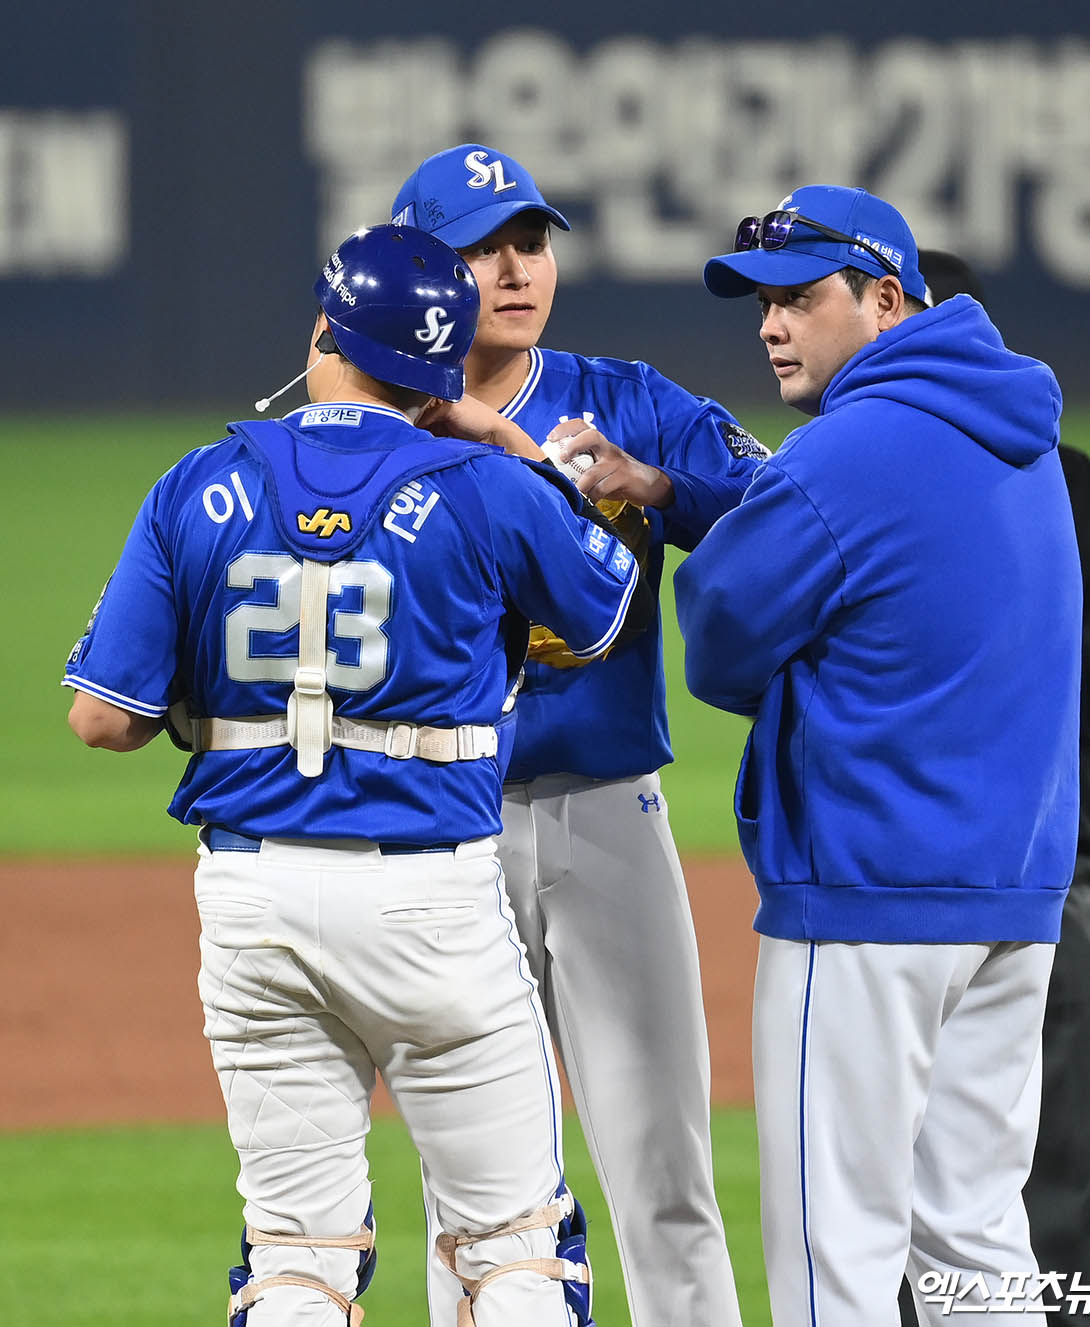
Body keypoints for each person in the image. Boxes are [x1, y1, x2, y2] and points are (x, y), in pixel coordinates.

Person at [63, 223, 656, 1327]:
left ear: (325, 330)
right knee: (515, 1253)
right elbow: (608, 601)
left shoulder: (199, 485)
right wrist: (508, 443)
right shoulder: (485, 485)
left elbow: (103, 718)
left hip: (252, 907)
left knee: (297, 1260)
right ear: (439, 376)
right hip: (430, 904)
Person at [675, 185, 1082, 1325]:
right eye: (761, 302)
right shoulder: (1018, 427)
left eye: (801, 297)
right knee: (977, 1243)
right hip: (1012, 902)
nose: (771, 326)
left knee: (833, 1254)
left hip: (869, 905)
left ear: (885, 298)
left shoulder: (847, 452)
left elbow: (716, 638)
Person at [390, 144, 760, 1327]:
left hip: (611, 818)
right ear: (422, 268)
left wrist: (660, 488)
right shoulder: (378, 425)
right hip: (444, 836)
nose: (513, 268)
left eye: (531, 241)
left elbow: (791, 505)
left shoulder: (631, 399)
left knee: (667, 1175)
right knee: (478, 1194)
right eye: (480, 247)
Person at [918, 249, 1090, 1321]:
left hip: (1046, 857)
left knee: (1062, 1140)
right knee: (893, 1159)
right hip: (894, 873)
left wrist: (1014, 690)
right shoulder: (839, 471)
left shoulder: (1062, 475)